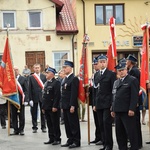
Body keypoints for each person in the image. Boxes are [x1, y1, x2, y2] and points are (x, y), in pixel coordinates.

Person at [111, 62, 139, 150]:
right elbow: (114, 96)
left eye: (122, 70)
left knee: (131, 132)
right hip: (118, 111)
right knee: (119, 133)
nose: (121, 72)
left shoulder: (132, 80)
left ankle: (134, 147)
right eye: (119, 71)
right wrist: (113, 109)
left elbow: (134, 96)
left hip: (127, 111)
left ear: (126, 70)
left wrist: (132, 108)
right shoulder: (116, 82)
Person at [93, 54, 116, 150]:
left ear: (106, 63)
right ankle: (104, 143)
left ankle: (109, 145)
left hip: (107, 103)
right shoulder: (96, 75)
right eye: (100, 62)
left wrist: (112, 104)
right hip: (99, 103)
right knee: (101, 124)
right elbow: (95, 91)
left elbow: (113, 90)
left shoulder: (111, 74)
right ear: (98, 63)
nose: (102, 64)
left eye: (104, 62)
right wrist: (94, 104)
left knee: (106, 124)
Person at [61, 60, 81, 148]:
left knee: (73, 124)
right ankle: (70, 139)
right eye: (64, 67)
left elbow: (73, 93)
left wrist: (72, 105)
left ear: (70, 68)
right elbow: (63, 93)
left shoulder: (74, 79)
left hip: (70, 105)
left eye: (66, 67)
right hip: (65, 105)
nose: (64, 69)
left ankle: (76, 141)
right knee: (67, 124)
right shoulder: (65, 78)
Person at [126, 54, 143, 149]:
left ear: (131, 62)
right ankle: (136, 142)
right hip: (134, 99)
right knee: (134, 123)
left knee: (135, 123)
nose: (126, 62)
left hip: (135, 99)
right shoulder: (132, 70)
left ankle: (137, 143)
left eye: (127, 61)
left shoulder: (134, 71)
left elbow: (134, 87)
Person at [42, 67, 61, 145]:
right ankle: (51, 138)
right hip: (46, 107)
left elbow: (57, 96)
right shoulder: (46, 83)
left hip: (53, 107)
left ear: (52, 74)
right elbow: (44, 96)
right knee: (49, 123)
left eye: (48, 73)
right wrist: (43, 107)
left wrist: (55, 106)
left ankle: (57, 138)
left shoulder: (56, 83)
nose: (46, 74)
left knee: (55, 123)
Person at [29, 63, 47, 133]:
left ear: (40, 68)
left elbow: (45, 87)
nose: (37, 69)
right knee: (34, 113)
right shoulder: (31, 77)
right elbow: (29, 88)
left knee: (43, 112)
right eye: (35, 68)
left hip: (42, 97)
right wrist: (30, 99)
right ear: (33, 69)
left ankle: (43, 127)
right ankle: (34, 127)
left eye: (38, 68)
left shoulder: (43, 76)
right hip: (34, 97)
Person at [11, 66, 28, 135]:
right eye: (14, 70)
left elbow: (26, 90)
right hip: (13, 100)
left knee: (21, 115)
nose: (15, 71)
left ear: (19, 71)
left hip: (21, 100)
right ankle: (15, 129)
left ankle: (21, 129)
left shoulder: (23, 79)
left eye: (16, 70)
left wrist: (26, 99)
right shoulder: (10, 79)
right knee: (13, 115)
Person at [89, 56, 102, 145]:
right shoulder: (95, 75)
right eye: (94, 64)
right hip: (94, 101)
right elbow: (93, 90)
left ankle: (102, 137)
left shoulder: (100, 75)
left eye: (96, 64)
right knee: (97, 121)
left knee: (101, 122)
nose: (95, 66)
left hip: (100, 102)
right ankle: (98, 137)